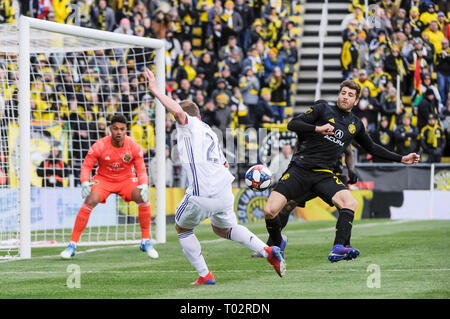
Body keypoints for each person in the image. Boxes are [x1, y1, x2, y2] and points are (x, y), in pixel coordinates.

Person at [144, 68, 285, 284]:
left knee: (182, 228)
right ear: (200, 115)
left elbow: (180, 113)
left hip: (204, 192)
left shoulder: (189, 126)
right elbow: (224, 162)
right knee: (223, 228)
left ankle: (204, 274)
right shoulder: (208, 130)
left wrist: (155, 90)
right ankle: (267, 251)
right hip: (223, 189)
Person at [263, 80, 420, 264]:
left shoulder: (355, 124)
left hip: (325, 174)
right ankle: (276, 243)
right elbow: (293, 124)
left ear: (356, 101)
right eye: (343, 93)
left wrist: (401, 158)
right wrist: (318, 128)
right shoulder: (322, 109)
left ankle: (338, 247)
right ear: (339, 94)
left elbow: (372, 147)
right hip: (300, 169)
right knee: (270, 210)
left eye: (350, 95)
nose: (345, 96)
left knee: (349, 202)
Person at [60, 114, 159, 259]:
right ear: (110, 129)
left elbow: (141, 170)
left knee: (143, 197)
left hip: (126, 180)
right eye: (115, 128)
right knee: (90, 199)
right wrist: (85, 182)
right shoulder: (99, 146)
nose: (118, 132)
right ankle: (72, 245)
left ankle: (145, 240)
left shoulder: (134, 147)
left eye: (122, 129)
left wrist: (144, 185)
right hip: (104, 180)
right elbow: (86, 166)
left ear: (126, 130)